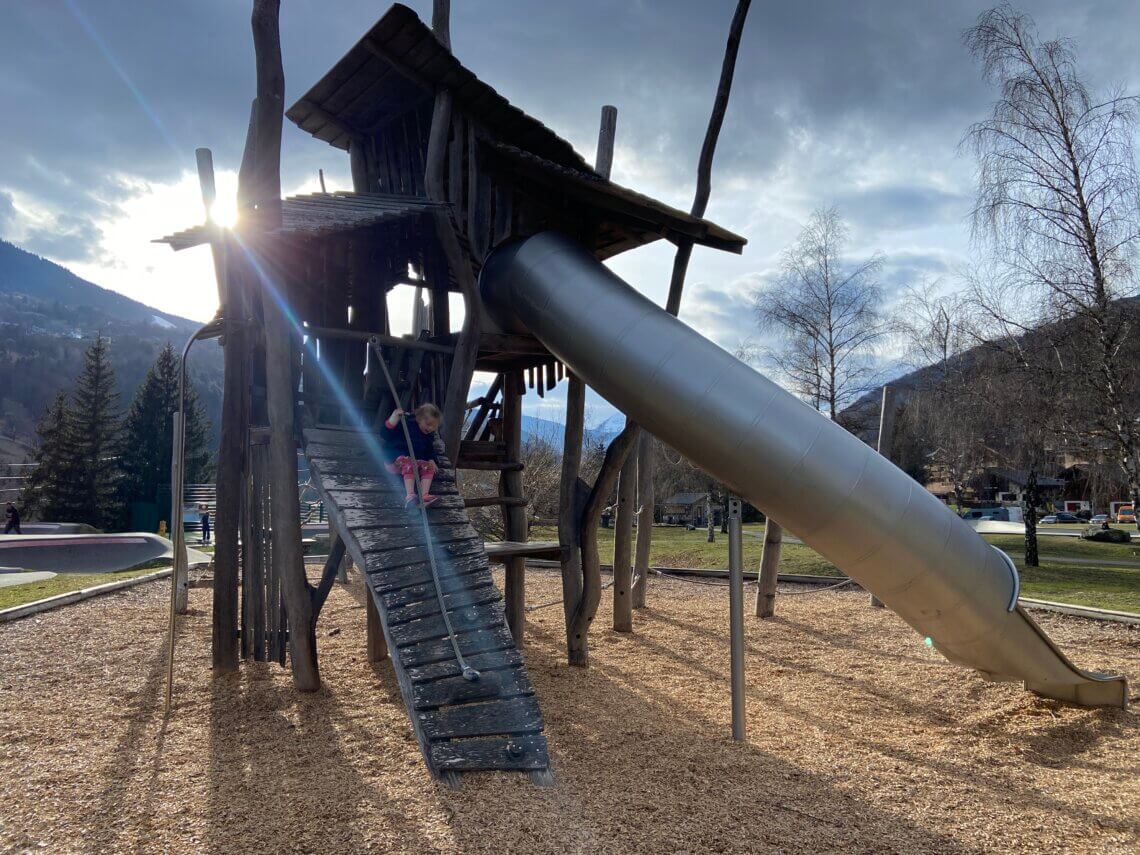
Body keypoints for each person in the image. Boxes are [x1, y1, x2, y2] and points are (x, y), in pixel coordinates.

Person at [380, 403, 441, 507]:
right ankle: (410, 496)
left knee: (429, 466)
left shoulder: (428, 435)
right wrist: (393, 419)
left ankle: (424, 495)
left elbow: (429, 449)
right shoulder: (406, 424)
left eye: (433, 427)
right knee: (410, 463)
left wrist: (431, 459)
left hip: (412, 462)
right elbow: (385, 434)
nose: (430, 428)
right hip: (394, 460)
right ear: (419, 418)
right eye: (428, 424)